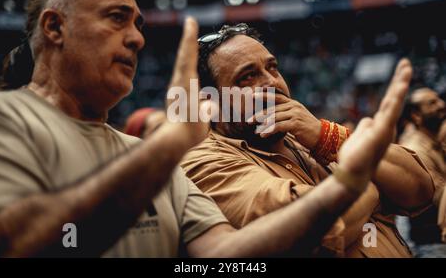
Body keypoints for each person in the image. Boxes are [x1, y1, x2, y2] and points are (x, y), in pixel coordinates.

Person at [0, 0, 412, 258]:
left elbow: (226, 256)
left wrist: (346, 184)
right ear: (54, 28)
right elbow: (16, 240)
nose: (137, 40)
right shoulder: (8, 119)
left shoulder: (152, 160)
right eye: (117, 19)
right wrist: (365, 190)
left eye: (139, 26)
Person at [180, 24, 434, 257]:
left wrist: (325, 136)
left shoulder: (311, 133)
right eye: (247, 76)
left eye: (272, 67)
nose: (271, 82)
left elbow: (420, 190)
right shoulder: (204, 163)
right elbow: (321, 230)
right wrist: (363, 181)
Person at [397, 87, 446, 256]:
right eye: (432, 103)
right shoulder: (415, 149)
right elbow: (439, 197)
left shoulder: (436, 139)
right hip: (433, 244)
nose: (441, 105)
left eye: (439, 100)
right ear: (416, 116)